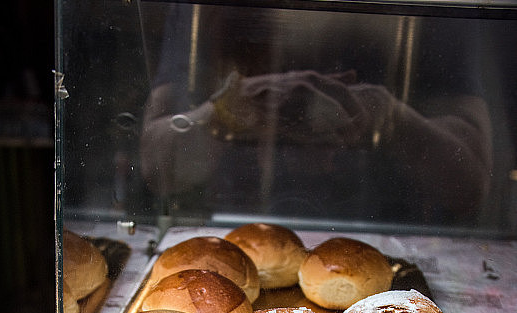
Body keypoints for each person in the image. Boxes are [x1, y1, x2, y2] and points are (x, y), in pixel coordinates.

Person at [140, 4, 493, 226]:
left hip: (390, 232)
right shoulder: (200, 11)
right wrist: (228, 109)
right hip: (232, 229)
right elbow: (155, 168)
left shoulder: (437, 13)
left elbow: (470, 186)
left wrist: (386, 116)